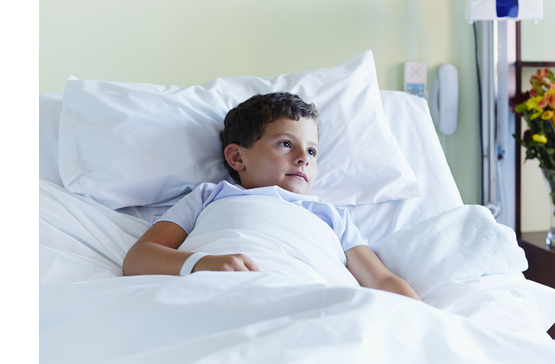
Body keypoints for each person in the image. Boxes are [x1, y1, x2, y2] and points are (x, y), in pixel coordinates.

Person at [122, 92, 419, 300]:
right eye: (286, 144)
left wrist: (425, 320)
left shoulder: (330, 216)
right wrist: (201, 263)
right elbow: (139, 258)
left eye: (312, 151)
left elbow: (380, 280)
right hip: (218, 288)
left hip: (311, 295)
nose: (304, 157)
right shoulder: (210, 196)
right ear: (237, 157)